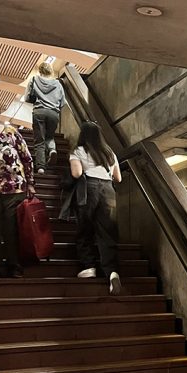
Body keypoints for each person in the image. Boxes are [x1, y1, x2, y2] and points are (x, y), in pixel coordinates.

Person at [70, 121, 122, 295]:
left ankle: (89, 266)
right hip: (108, 190)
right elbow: (118, 178)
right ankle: (112, 272)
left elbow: (76, 174)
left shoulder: (79, 151)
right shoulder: (110, 153)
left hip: (88, 189)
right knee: (107, 231)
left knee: (84, 228)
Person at [0, 103, 34, 278]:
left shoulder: (10, 132)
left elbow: (26, 157)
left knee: (11, 227)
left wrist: (31, 182)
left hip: (15, 187)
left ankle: (13, 264)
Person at [27, 61, 65, 174]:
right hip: (53, 113)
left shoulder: (34, 80)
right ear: (51, 71)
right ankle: (52, 150)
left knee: (39, 140)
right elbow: (62, 102)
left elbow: (27, 98)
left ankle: (41, 167)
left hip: (39, 112)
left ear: (40, 70)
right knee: (49, 136)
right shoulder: (58, 84)